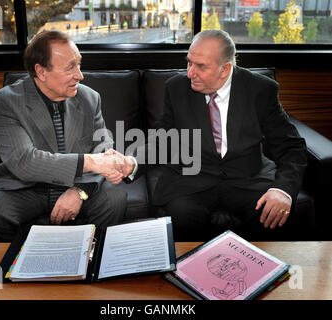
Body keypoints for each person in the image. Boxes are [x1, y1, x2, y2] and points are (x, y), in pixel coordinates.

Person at [129, 30, 307, 240]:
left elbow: (291, 147)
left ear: (225, 69)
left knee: (271, 215)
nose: (190, 73)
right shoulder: (176, 88)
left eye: (201, 66)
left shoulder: (260, 89)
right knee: (181, 215)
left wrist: (283, 190)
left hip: (248, 180)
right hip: (192, 181)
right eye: (189, 63)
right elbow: (162, 140)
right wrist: (132, 162)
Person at [0, 31, 133, 242]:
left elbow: (102, 149)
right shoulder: (5, 102)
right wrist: (90, 161)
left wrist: (79, 191)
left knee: (114, 198)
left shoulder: (89, 98)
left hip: (74, 182)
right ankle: (17, 268)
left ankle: (87, 259)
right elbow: (24, 161)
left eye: (79, 64)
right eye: (70, 67)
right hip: (25, 187)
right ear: (41, 71)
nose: (80, 75)